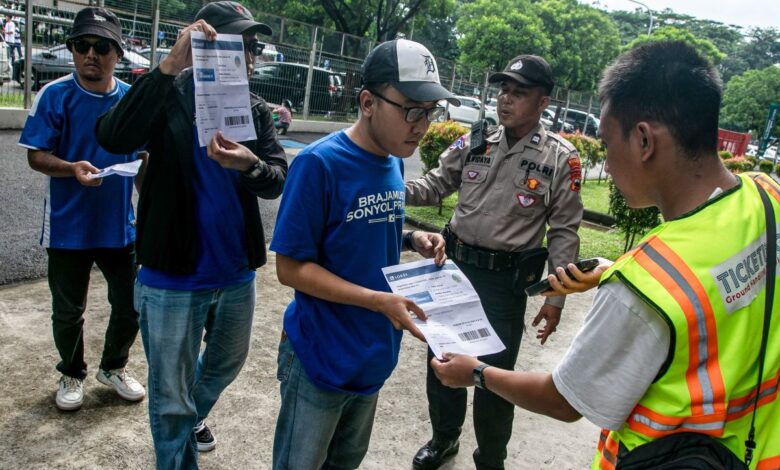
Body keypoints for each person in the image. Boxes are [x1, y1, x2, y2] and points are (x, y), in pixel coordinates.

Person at [430, 41, 780, 468]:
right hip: (758, 448)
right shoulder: (767, 195)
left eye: (608, 144)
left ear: (644, 140)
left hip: (654, 457)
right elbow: (714, 284)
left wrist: (476, 373)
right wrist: (613, 267)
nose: (608, 166)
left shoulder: (640, 288)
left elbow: (563, 400)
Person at [95, 2, 287, 468]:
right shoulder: (167, 94)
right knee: (168, 396)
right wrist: (166, 68)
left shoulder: (254, 109)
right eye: (234, 44)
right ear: (202, 46)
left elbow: (278, 177)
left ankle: (181, 421)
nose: (246, 56)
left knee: (223, 366)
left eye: (251, 47)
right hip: (172, 280)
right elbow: (113, 136)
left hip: (236, 274)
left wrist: (250, 164)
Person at [270, 38, 454, 470]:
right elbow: (290, 267)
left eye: (430, 112)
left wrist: (411, 240)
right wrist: (376, 300)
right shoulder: (319, 164)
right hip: (321, 356)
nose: (422, 125)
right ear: (368, 102)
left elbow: (363, 225)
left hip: (373, 354)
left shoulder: (392, 160)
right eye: (411, 109)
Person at [404, 54, 583, 470]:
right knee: (443, 365)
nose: (506, 100)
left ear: (543, 102)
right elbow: (434, 185)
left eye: (519, 93)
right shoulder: (477, 139)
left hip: (504, 284)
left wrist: (555, 300)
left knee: (495, 380)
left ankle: (491, 459)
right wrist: (389, 187)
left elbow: (564, 232)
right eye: (503, 90)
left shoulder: (560, 158)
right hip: (453, 270)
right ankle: (444, 440)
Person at [19, 7, 146, 412]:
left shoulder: (130, 100)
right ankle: (71, 372)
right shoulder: (55, 94)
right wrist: (71, 168)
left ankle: (113, 367)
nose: (91, 54)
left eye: (102, 46)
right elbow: (36, 156)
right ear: (73, 50)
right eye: (82, 45)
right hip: (67, 225)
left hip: (118, 226)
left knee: (132, 303)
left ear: (118, 54)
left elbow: (144, 155)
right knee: (68, 310)